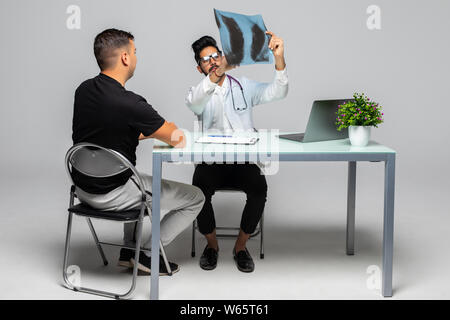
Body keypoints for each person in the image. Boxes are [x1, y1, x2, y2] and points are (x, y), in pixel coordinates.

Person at [72, 28, 205, 275]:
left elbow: (104, 132)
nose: (135, 57)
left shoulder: (83, 91)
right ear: (124, 57)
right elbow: (177, 139)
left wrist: (146, 130)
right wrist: (166, 129)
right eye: (134, 52)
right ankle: (147, 255)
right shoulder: (131, 103)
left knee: (135, 178)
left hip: (83, 189)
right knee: (195, 197)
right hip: (114, 194)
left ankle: (128, 251)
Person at [185, 31, 288, 272]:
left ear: (222, 57)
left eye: (215, 55)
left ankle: (240, 247)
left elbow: (279, 91)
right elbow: (194, 103)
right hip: (211, 163)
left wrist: (279, 59)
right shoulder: (198, 92)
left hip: (243, 162)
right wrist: (214, 78)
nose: (212, 60)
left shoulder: (244, 86)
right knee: (199, 190)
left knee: (259, 189)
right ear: (200, 68)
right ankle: (212, 246)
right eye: (205, 59)